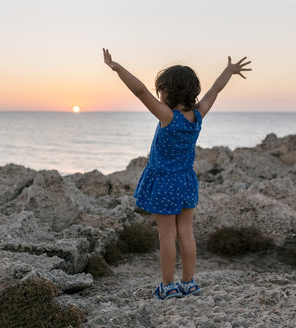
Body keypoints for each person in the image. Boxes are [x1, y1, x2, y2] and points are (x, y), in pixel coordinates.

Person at [103, 48, 252, 300]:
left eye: (161, 90)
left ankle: (168, 285)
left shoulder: (167, 116)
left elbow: (140, 91)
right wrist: (228, 71)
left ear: (168, 92)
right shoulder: (197, 115)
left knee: (167, 236)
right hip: (186, 181)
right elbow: (215, 90)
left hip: (164, 182)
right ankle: (189, 283)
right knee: (186, 233)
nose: (159, 94)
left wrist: (117, 68)